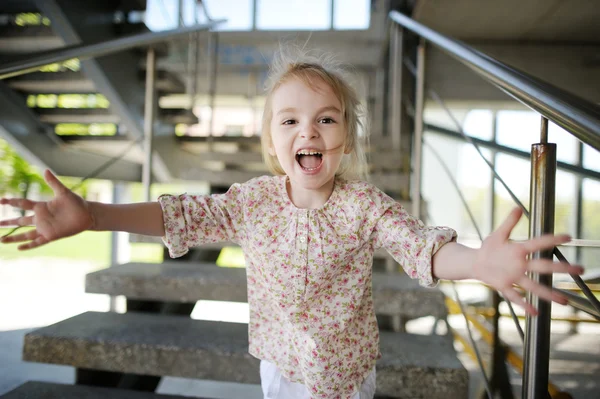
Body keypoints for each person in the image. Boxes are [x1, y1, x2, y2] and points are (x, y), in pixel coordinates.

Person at [0, 51, 582, 399]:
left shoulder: (363, 206)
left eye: (325, 119)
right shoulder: (253, 202)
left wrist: (477, 261)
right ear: (272, 141)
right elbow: (182, 214)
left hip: (343, 374)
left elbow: (419, 247)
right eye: (291, 120)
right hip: (277, 364)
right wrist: (97, 214)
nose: (309, 131)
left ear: (345, 139)